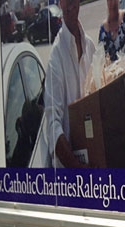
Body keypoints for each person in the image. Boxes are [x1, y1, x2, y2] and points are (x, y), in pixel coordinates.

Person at [43, 0, 97, 168]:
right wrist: (77, 169)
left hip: (95, 166)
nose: (70, 4)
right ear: (60, 3)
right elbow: (53, 127)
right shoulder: (55, 58)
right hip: (70, 179)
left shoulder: (90, 47)